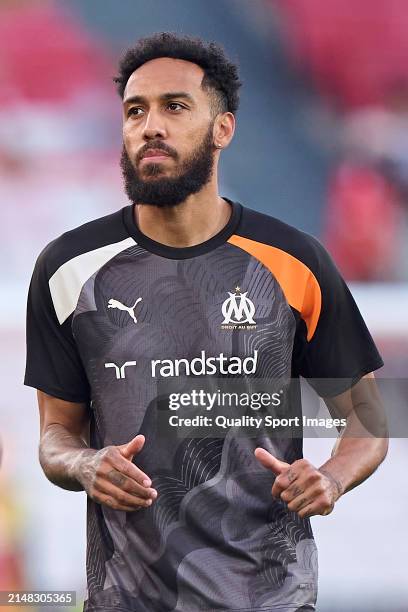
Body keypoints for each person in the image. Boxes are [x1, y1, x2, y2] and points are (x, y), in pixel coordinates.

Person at [24, 32, 388, 612]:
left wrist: (332, 477)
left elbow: (368, 423)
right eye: (135, 110)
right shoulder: (67, 269)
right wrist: (85, 463)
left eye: (175, 106)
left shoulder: (295, 261)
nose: (150, 126)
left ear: (224, 129)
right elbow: (54, 437)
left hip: (271, 597)